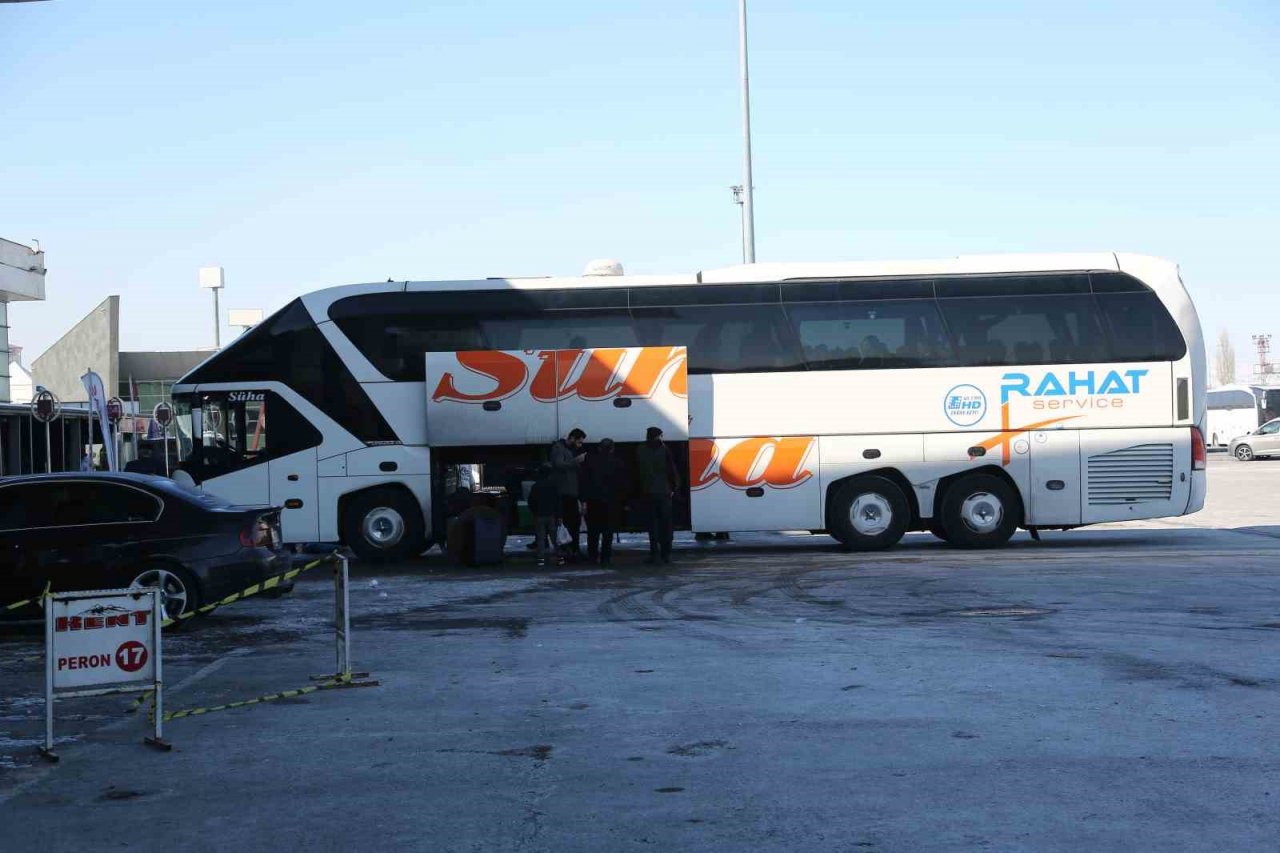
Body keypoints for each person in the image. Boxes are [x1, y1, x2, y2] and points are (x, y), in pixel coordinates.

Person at [636, 426, 679, 564]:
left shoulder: (640, 449)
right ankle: (667, 554)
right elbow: (671, 469)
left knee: (652, 525)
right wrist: (673, 487)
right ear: (658, 436)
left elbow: (637, 471)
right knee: (666, 524)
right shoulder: (664, 449)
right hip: (664, 491)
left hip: (648, 492)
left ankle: (654, 554)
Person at [581, 438, 628, 566]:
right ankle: (605, 557)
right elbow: (622, 485)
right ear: (612, 449)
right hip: (611, 503)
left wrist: (583, 500)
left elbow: (584, 482)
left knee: (593, 531)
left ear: (599, 448)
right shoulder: (618, 463)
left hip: (593, 501)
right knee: (608, 532)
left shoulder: (590, 461)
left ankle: (593, 556)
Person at [550, 427, 587, 561]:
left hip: (571, 491)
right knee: (568, 522)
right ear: (572, 438)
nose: (580, 445)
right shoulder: (559, 448)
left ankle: (573, 549)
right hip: (564, 491)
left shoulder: (568, 449)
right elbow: (559, 464)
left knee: (574, 522)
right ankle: (569, 550)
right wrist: (576, 461)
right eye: (579, 442)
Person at [526, 464, 562, 568]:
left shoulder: (536, 486)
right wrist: (559, 515)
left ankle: (540, 559)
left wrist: (535, 512)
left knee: (541, 538)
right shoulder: (553, 485)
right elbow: (558, 502)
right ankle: (559, 558)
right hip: (551, 515)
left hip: (539, 515)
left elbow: (531, 501)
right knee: (555, 538)